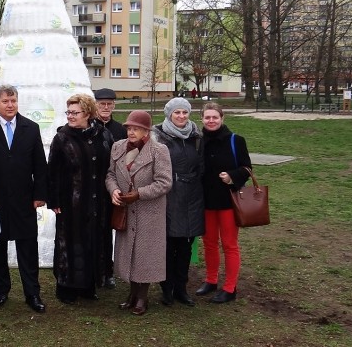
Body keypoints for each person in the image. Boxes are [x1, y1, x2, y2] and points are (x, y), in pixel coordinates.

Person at [0, 85, 48, 313]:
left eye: (13, 101)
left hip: (24, 200)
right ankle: (1, 289)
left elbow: (40, 165)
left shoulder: (31, 127)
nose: (10, 105)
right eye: (5, 101)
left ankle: (32, 293)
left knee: (28, 247)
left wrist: (40, 195)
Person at [47, 93, 114, 304]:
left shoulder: (103, 135)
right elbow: (53, 172)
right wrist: (54, 200)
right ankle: (66, 287)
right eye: (68, 112)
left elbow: (110, 166)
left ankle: (88, 286)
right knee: (71, 242)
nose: (70, 116)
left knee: (94, 241)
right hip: (71, 202)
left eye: (75, 112)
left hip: (98, 202)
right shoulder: (62, 138)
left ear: (87, 113)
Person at [107, 110, 173, 315]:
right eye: (129, 128)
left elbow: (164, 182)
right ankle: (132, 294)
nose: (131, 132)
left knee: (145, 255)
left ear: (146, 131)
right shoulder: (118, 147)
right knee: (129, 254)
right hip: (126, 211)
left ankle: (142, 298)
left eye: (136, 129)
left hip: (149, 212)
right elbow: (110, 174)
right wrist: (114, 190)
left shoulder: (158, 150)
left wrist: (139, 194)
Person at [196, 102, 251, 303]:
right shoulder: (198, 141)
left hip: (229, 201)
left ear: (222, 118)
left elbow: (247, 168)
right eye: (207, 117)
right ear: (201, 119)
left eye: (215, 117)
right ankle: (210, 280)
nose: (211, 121)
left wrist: (232, 176)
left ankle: (230, 287)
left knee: (229, 244)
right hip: (205, 201)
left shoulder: (236, 140)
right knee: (209, 243)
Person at [152, 98, 205, 307]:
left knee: (186, 245)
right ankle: (166, 287)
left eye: (185, 112)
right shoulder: (158, 136)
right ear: (169, 114)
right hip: (169, 195)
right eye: (177, 113)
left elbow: (202, 164)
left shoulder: (196, 136)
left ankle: (181, 288)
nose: (182, 116)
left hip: (192, 196)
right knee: (168, 244)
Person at [92, 87, 125, 289]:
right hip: (92, 187)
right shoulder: (89, 126)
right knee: (94, 231)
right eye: (102, 104)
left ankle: (108, 271)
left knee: (109, 231)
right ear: (95, 105)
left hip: (114, 188)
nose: (105, 107)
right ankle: (93, 270)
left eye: (109, 104)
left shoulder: (121, 130)